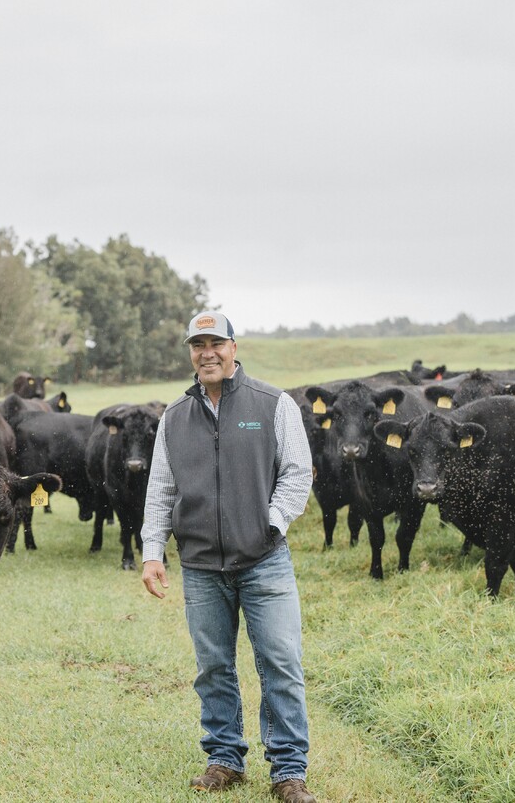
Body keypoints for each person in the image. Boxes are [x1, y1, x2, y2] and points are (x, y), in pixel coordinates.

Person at [141, 311, 316, 802]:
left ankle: (288, 771)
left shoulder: (273, 404)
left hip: (264, 562)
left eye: (216, 342)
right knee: (213, 667)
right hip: (199, 566)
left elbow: (298, 474)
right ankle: (224, 759)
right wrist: (153, 551)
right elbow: (160, 489)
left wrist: (271, 522)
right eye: (198, 345)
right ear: (191, 353)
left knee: (279, 661)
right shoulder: (175, 417)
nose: (207, 353)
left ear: (234, 348)